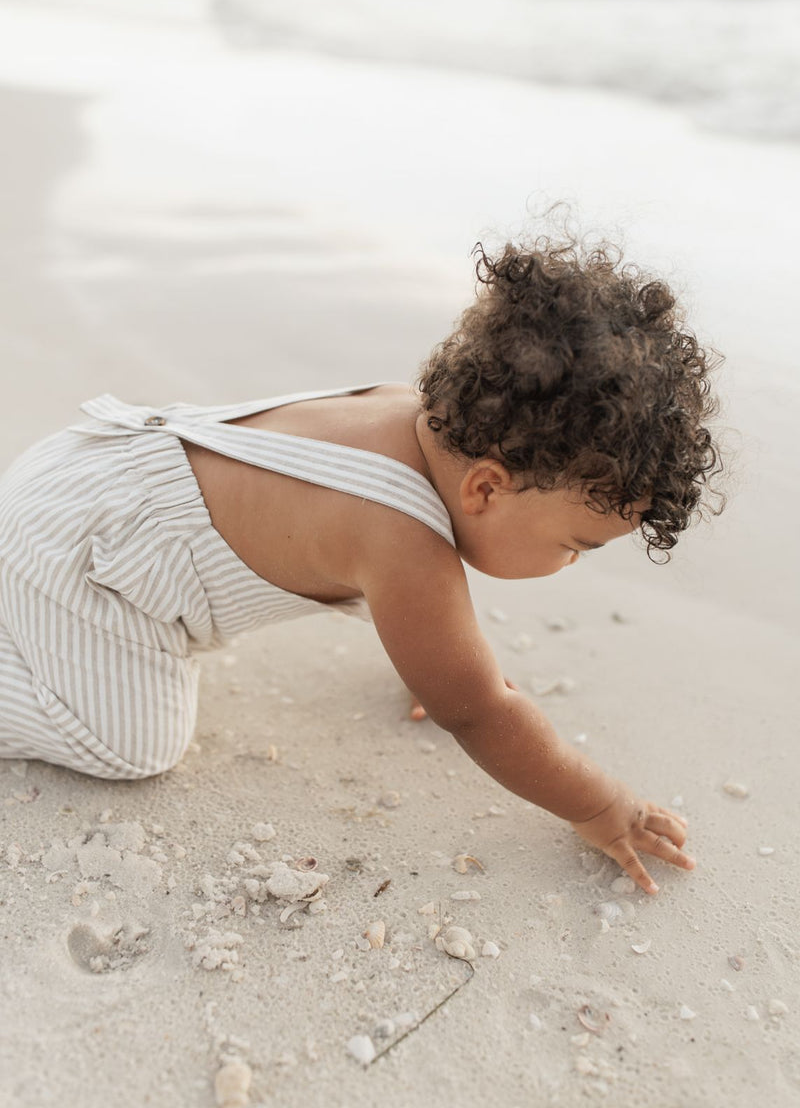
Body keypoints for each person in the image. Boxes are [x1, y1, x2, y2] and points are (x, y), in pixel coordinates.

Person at [0, 235, 723, 894]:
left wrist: (442, 658)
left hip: (80, 470)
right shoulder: (402, 541)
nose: (569, 564)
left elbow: (443, 647)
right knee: (137, 743)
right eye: (574, 544)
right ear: (486, 488)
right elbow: (476, 712)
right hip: (84, 567)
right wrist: (600, 805)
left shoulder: (406, 409)